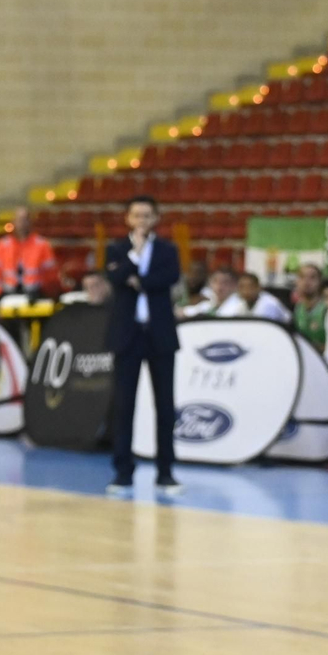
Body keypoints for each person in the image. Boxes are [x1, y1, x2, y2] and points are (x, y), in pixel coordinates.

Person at [104, 195, 182, 497]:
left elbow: (168, 278)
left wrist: (139, 280)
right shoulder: (117, 249)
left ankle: (166, 472)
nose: (142, 221)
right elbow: (116, 277)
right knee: (124, 405)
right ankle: (123, 472)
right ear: (128, 218)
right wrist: (134, 259)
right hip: (128, 336)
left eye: (147, 216)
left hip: (159, 335)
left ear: (156, 219)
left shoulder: (167, 250)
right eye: (136, 215)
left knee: (165, 406)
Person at [0, 205, 59, 299]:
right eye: (19, 220)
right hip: (8, 294)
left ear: (30, 222)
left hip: (35, 294)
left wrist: (47, 293)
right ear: (14, 221)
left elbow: (50, 273)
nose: (22, 223)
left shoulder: (42, 245)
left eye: (25, 219)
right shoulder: (3, 245)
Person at [218, 271, 291, 323]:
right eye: (242, 287)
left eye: (250, 287)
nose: (245, 291)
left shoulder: (269, 304)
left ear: (259, 288)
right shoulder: (238, 302)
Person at [293, 263, 328, 348]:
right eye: (302, 277)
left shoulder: (327, 308)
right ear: (296, 282)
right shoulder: (298, 308)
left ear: (320, 282)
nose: (306, 282)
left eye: (312, 277)